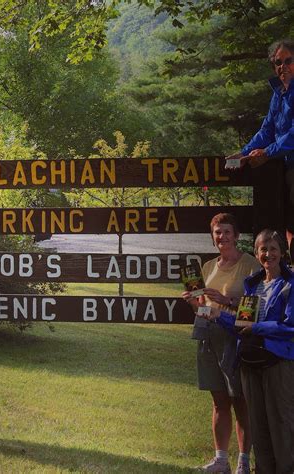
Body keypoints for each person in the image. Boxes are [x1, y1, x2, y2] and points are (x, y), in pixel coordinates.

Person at [199, 229, 294, 474]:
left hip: (278, 361)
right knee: (259, 425)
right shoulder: (251, 286)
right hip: (251, 362)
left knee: (281, 423)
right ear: (256, 252)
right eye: (263, 249)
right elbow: (242, 325)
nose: (268, 254)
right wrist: (212, 313)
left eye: (273, 249)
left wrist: (258, 327)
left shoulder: (290, 284)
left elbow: (290, 327)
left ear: (282, 252)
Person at [182, 213, 259, 473]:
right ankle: (221, 460)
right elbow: (203, 310)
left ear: (236, 235)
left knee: (241, 400)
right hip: (209, 336)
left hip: (237, 338)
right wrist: (195, 303)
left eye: (226, 232)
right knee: (219, 401)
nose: (221, 237)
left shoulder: (250, 264)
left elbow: (256, 309)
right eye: (217, 232)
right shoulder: (207, 267)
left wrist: (226, 301)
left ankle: (243, 462)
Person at [225, 39, 294, 256]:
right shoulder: (278, 93)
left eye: (288, 61)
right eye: (278, 63)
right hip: (283, 169)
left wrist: (266, 152)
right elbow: (267, 130)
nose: (283, 67)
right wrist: (244, 153)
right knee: (283, 227)